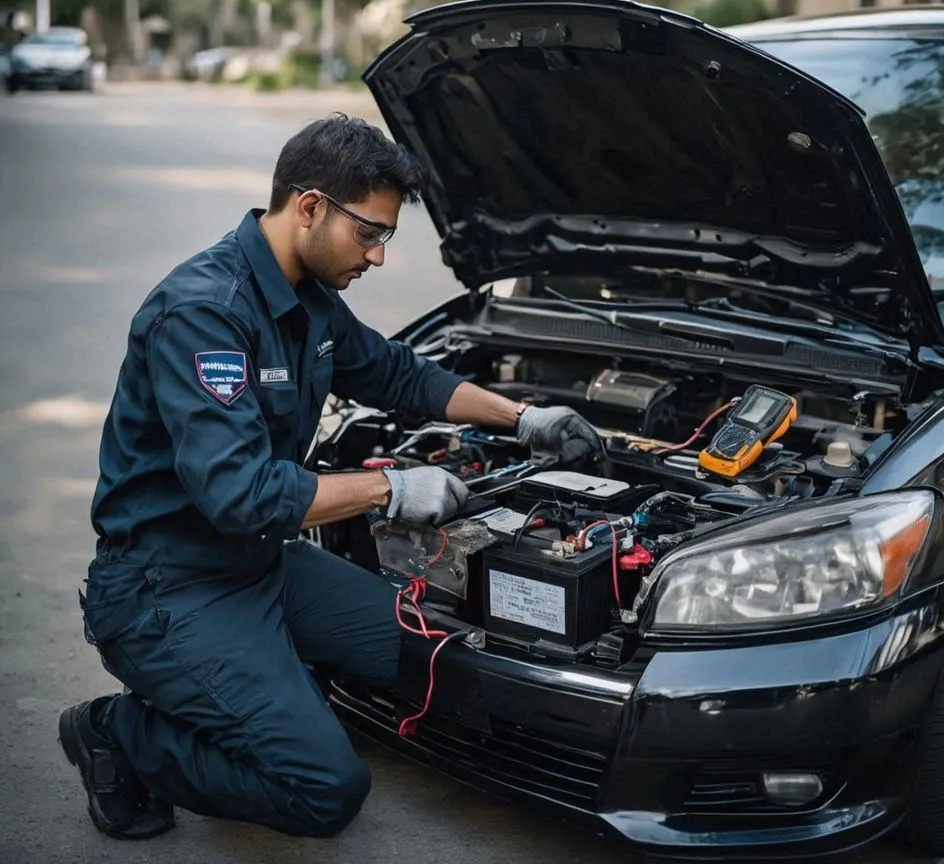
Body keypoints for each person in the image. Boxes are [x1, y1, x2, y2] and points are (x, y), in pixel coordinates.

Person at [59, 114, 603, 841]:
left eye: (386, 238)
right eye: (369, 234)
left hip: (258, 566)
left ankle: (272, 691)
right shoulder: (204, 314)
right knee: (325, 788)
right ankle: (116, 729)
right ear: (310, 206)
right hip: (167, 587)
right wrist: (391, 488)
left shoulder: (308, 297)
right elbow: (240, 494)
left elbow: (396, 373)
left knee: (416, 651)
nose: (377, 258)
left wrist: (524, 417)